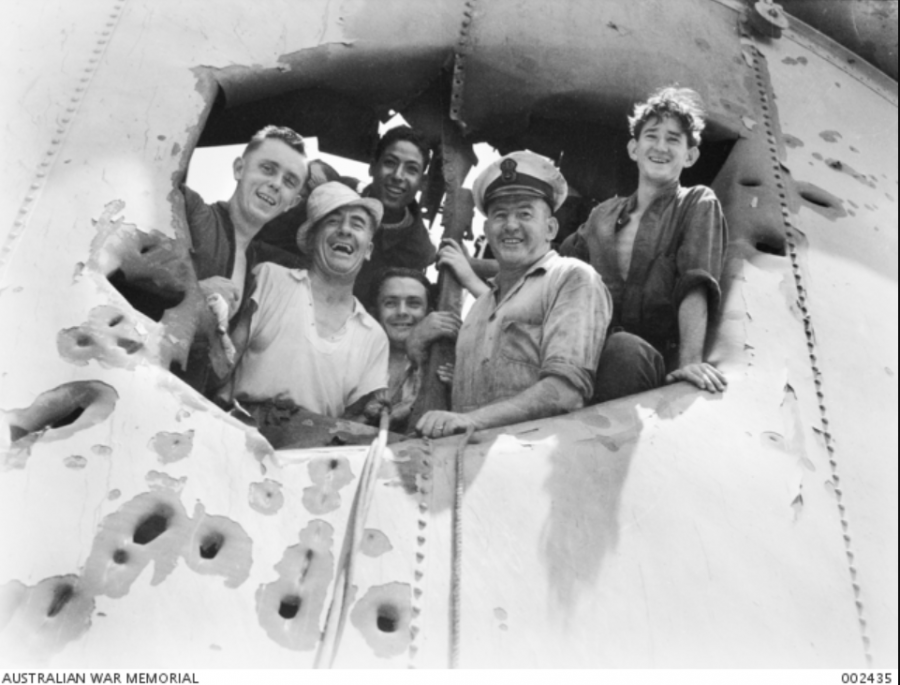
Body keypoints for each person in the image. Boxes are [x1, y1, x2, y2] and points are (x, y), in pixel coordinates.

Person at [416, 151, 612, 439]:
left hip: (531, 463)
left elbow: (565, 393)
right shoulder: (479, 307)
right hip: (464, 464)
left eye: (524, 213)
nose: (510, 225)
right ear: (487, 228)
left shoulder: (571, 279)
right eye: (500, 215)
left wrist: (472, 420)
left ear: (550, 228)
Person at [560, 86, 729, 401]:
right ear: (633, 148)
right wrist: (469, 270)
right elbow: (555, 269)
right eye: (651, 136)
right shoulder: (603, 215)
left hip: (646, 362)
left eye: (673, 139)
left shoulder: (696, 203)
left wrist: (691, 362)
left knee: (624, 351)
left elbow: (695, 282)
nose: (660, 147)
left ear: (690, 155)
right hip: (588, 350)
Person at [221, 182, 389, 426]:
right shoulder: (270, 279)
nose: (345, 230)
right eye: (332, 221)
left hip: (312, 451)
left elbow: (355, 424)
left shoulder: (374, 337)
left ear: (368, 250)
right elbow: (223, 365)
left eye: (357, 224)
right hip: (239, 431)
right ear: (311, 240)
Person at [179, 125, 309, 388]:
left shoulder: (256, 267)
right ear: (239, 169)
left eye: (289, 181)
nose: (275, 184)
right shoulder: (188, 209)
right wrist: (192, 294)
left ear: (292, 203)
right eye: (267, 169)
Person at [354, 126, 437, 309]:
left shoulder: (418, 250)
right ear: (372, 166)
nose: (398, 176)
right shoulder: (339, 200)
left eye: (411, 170)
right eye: (390, 163)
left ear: (422, 183)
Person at [373, 268, 460, 433]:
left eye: (414, 303)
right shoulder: (359, 358)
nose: (402, 312)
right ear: (376, 311)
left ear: (429, 313)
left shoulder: (445, 358)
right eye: (391, 303)